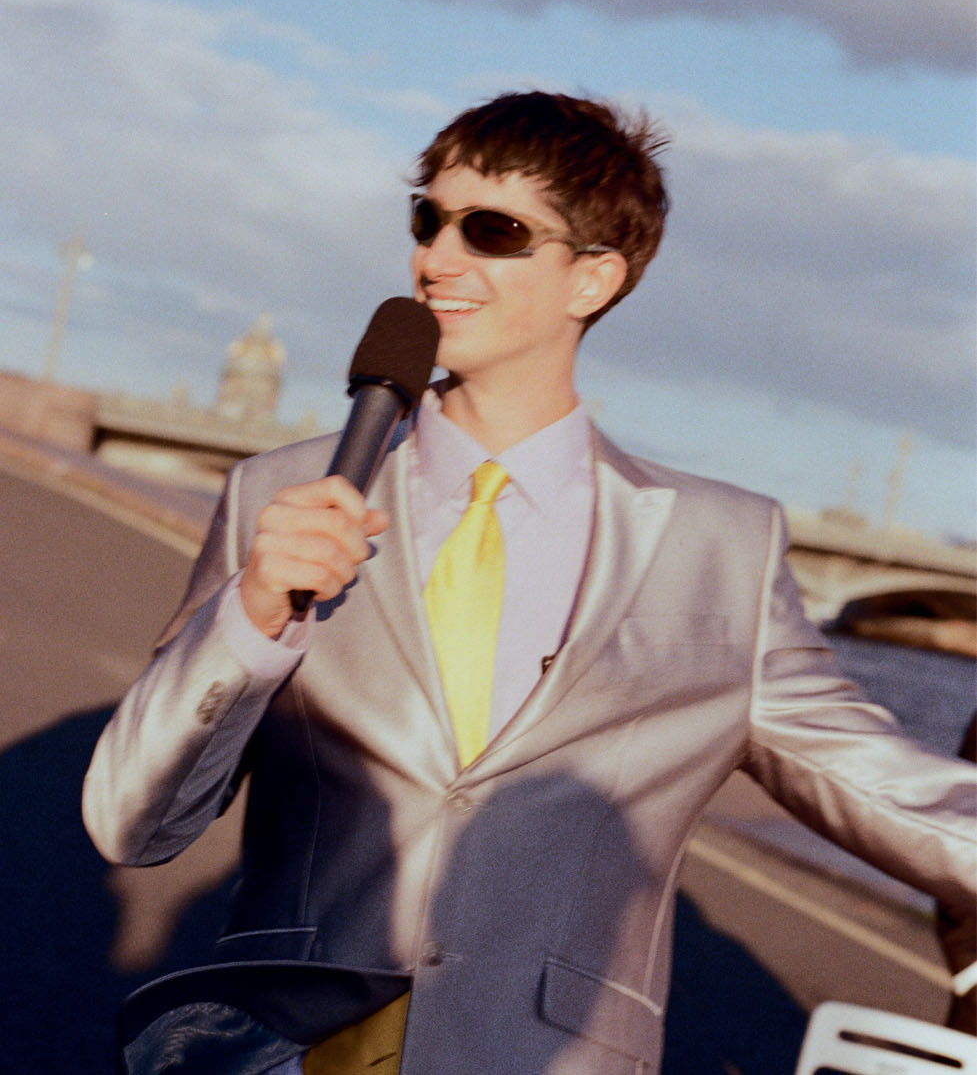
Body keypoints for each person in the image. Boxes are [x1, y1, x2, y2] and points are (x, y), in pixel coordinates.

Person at [83, 91, 976, 1075]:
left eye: (492, 231)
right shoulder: (283, 494)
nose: (437, 257)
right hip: (285, 1054)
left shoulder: (723, 547)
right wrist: (250, 615)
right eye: (427, 219)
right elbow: (134, 819)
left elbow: (888, 791)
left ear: (592, 277)